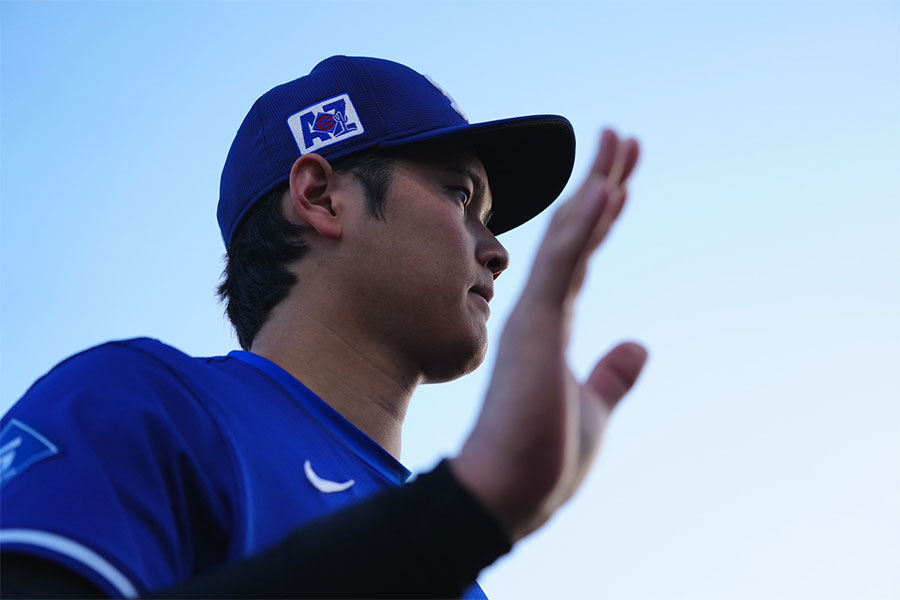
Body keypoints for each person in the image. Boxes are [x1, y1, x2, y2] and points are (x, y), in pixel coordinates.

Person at [0, 55, 646, 598]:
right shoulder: (133, 402)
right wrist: (468, 508)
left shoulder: (459, 562)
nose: (497, 250)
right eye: (460, 196)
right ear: (320, 196)